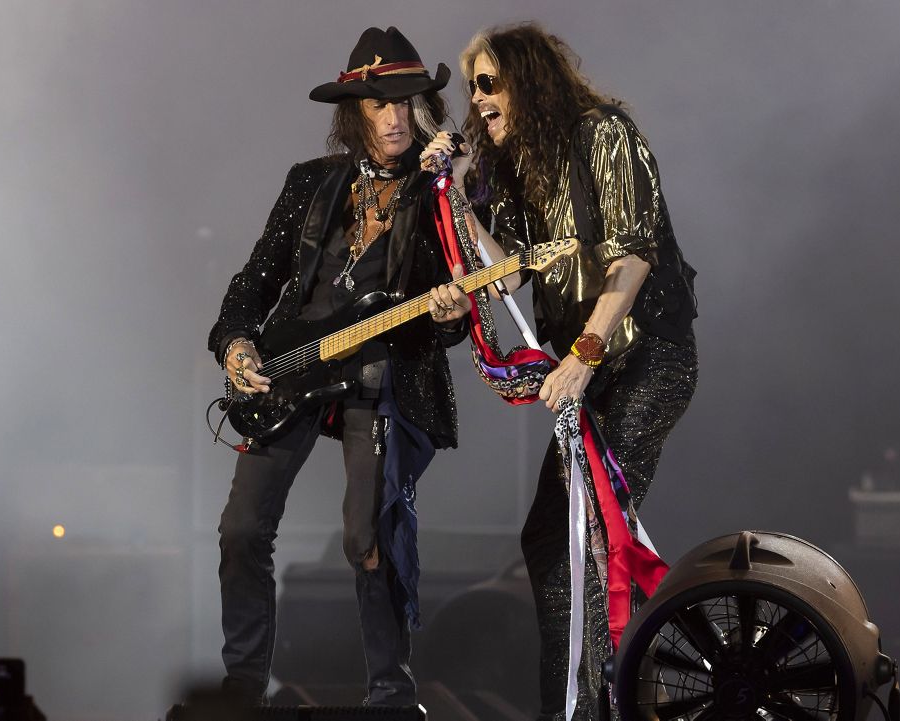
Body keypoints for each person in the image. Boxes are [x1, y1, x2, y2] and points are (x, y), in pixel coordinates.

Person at [423, 22, 699, 719]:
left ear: (528, 78)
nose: (476, 99)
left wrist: (583, 353)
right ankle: (575, 706)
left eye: (488, 83)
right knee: (551, 542)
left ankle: (619, 702)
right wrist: (453, 193)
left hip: (644, 357)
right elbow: (503, 271)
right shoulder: (516, 166)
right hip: (593, 374)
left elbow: (633, 254)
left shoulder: (602, 133)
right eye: (471, 86)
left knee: (599, 536)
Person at [206, 26, 471, 706]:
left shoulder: (439, 192)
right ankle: (241, 687)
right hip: (292, 369)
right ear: (352, 112)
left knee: (368, 533)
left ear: (425, 108)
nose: (394, 116)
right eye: (379, 103)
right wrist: (237, 345)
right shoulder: (312, 184)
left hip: (380, 375)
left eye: (407, 101)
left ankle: (389, 692)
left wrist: (448, 315)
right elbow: (251, 285)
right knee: (241, 529)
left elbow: (459, 315)